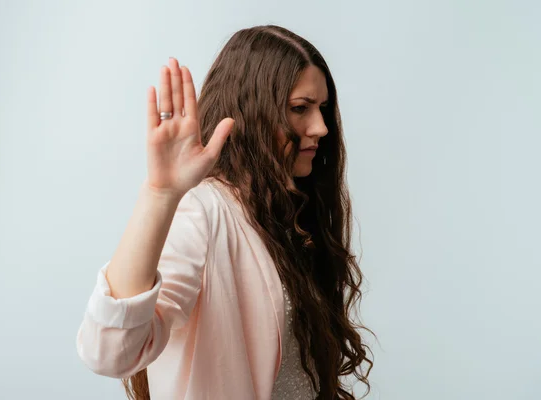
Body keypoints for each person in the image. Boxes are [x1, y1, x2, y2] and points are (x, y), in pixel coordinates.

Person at [76, 24, 373, 400]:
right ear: (252, 111)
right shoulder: (203, 214)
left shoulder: (290, 215)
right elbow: (109, 352)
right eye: (301, 109)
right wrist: (160, 194)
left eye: (323, 109)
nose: (321, 127)